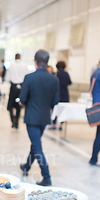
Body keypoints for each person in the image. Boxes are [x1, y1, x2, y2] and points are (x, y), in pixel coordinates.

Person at [19, 50, 60, 186]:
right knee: (35, 144)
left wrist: (21, 101)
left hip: (32, 118)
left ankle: (46, 177)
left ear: (35, 61)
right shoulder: (54, 79)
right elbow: (55, 101)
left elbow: (23, 99)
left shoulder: (29, 78)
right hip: (44, 118)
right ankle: (26, 167)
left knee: (37, 146)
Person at [5, 53, 29, 129]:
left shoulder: (11, 66)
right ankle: (17, 121)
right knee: (19, 105)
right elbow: (27, 77)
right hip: (21, 86)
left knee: (11, 105)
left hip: (13, 86)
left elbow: (7, 78)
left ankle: (13, 120)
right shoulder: (24, 66)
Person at [51, 61, 73, 129]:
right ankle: (61, 124)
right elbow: (70, 82)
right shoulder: (66, 73)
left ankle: (54, 124)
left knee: (55, 108)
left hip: (57, 93)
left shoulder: (55, 74)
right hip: (64, 93)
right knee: (63, 109)